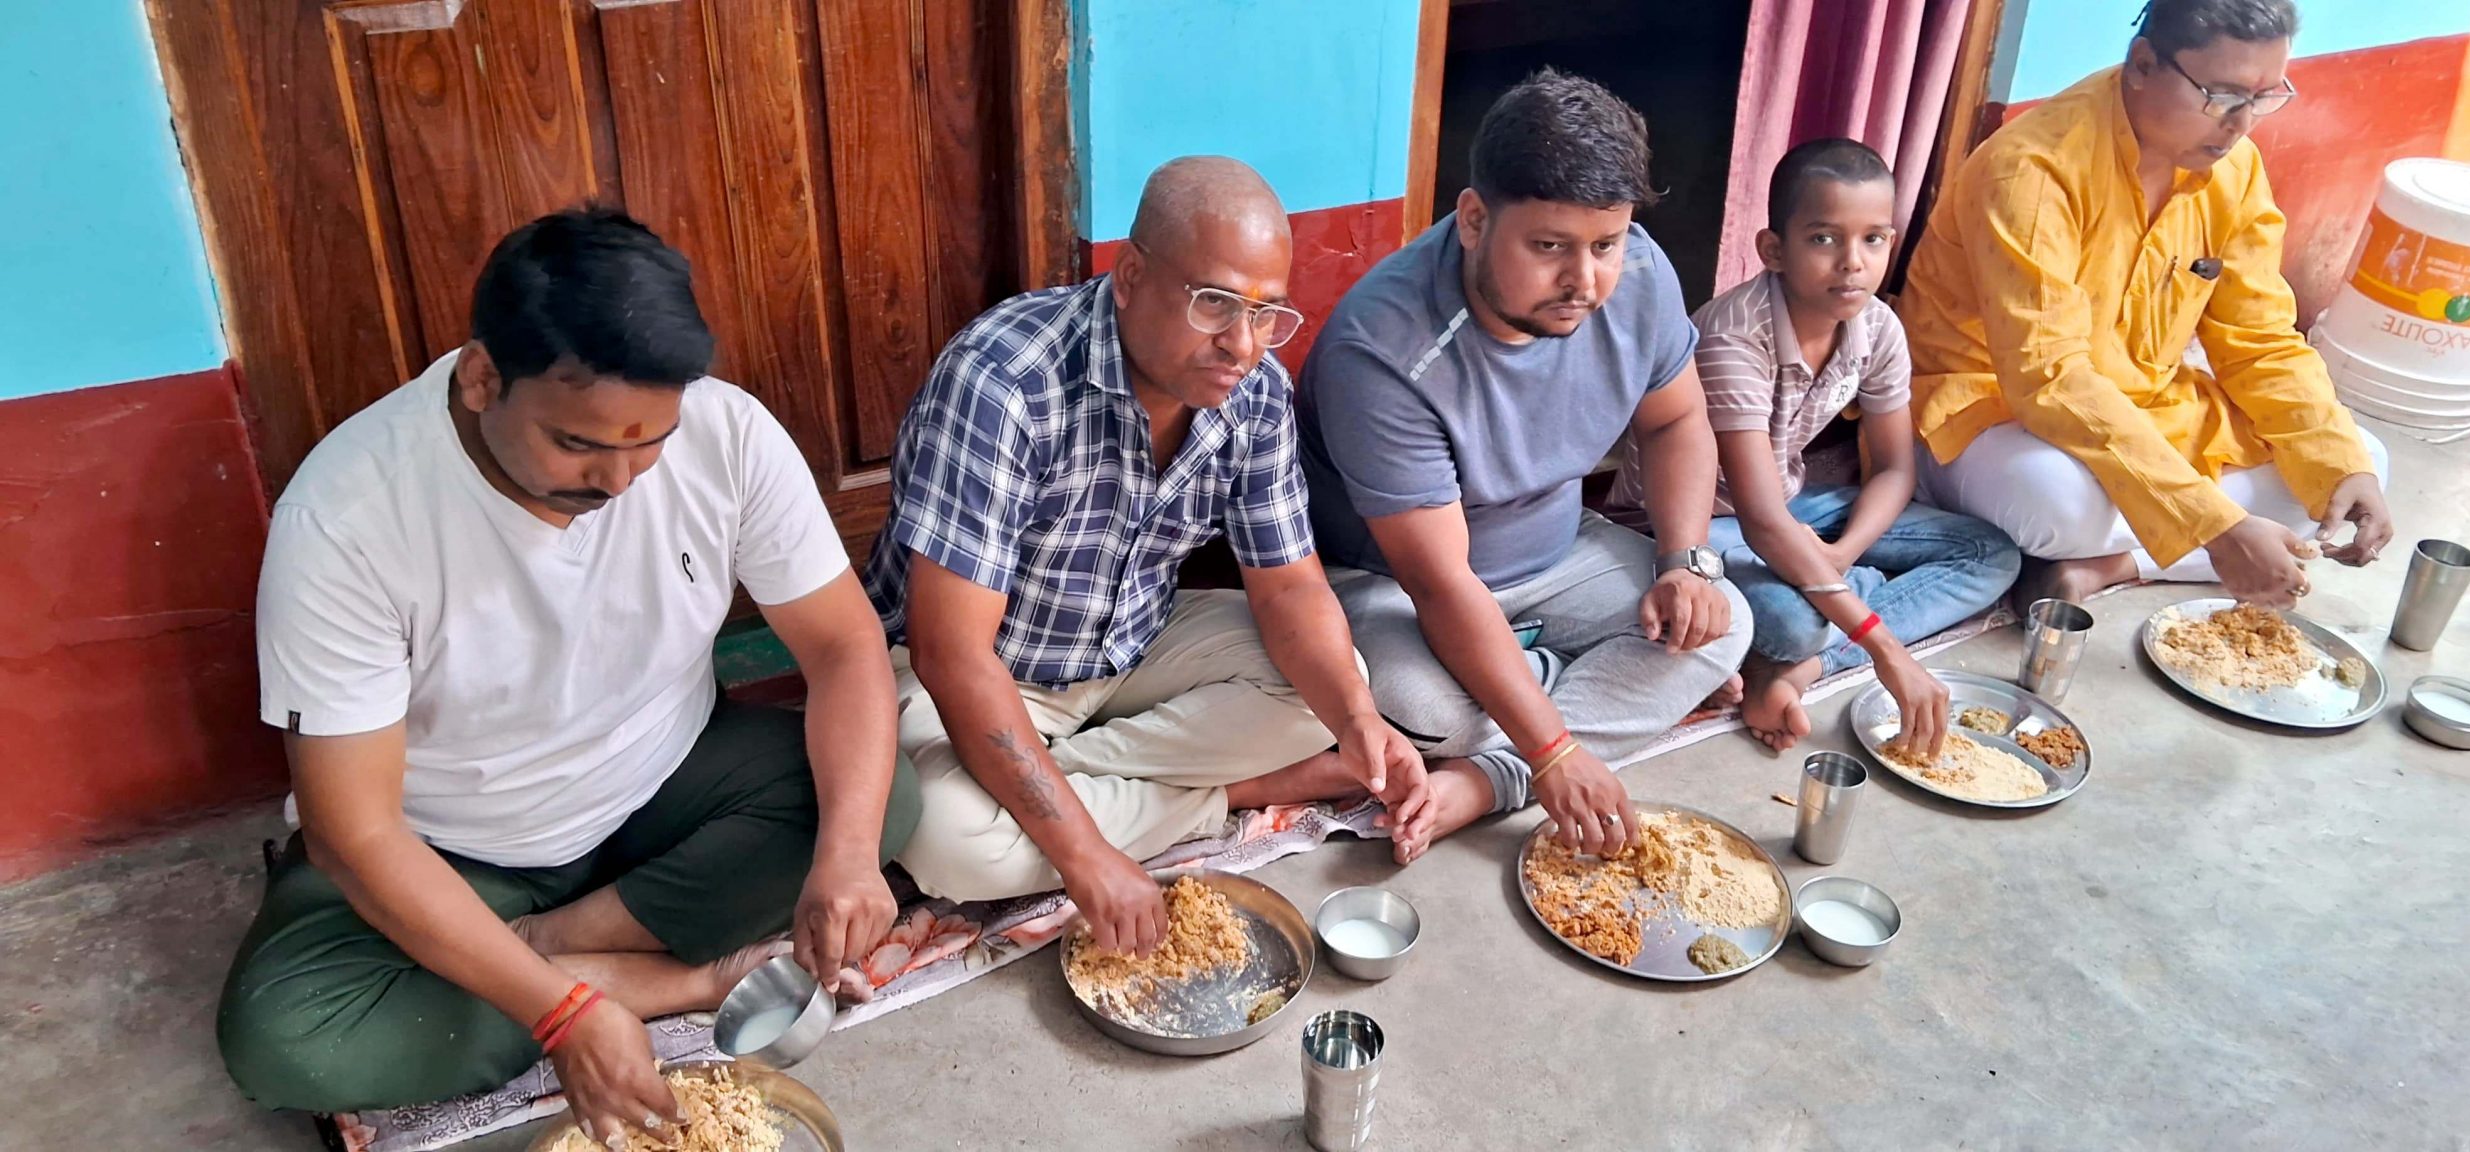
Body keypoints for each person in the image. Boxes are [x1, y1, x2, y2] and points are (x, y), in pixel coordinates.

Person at [219, 208, 918, 1144]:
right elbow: (357, 836)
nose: (621, 481)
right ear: (481, 378)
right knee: (288, 1038)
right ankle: (676, 978)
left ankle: (536, 948)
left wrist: (847, 859)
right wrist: (561, 1015)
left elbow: (842, 649)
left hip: (665, 783)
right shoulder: (349, 519)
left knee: (880, 800)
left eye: (650, 441)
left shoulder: (728, 434)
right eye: (579, 445)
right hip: (454, 848)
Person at [864, 157, 1428, 955]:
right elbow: (950, 654)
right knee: (952, 841)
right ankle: (1230, 793)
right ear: (1130, 276)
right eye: (1215, 303)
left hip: (1131, 649)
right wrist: (1085, 857)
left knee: (1335, 690)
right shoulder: (1005, 383)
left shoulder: (1254, 391)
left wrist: (1360, 722)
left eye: (1266, 313)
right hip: (977, 669)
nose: (1242, 344)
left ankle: (1046, 782)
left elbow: (1290, 590)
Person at [1299, 69, 1752, 863]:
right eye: (1549, 247)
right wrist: (1553, 752)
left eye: (1605, 245)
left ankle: (1488, 778)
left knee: (1724, 624)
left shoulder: (1637, 276)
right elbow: (1442, 584)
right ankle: (1558, 708)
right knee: (1426, 712)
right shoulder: (1382, 351)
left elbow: (1678, 419)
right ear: (1475, 219)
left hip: (1560, 554)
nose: (1585, 282)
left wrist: (1685, 562)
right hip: (1396, 587)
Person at [1900, 0, 2392, 613]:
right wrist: (2210, 521)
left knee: (2358, 464)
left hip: (2144, 404)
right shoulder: (2031, 171)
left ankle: (2114, 566)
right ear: (2142, 64)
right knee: (2057, 506)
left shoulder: (2235, 168)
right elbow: (2048, 378)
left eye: (2264, 98)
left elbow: (2261, 339)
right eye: (2222, 96)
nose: (2241, 124)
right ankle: (2188, 548)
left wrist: (2338, 466)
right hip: (1994, 411)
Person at [1608, 139, 2019, 756]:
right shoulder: (1733, 337)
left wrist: (1840, 554)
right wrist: (1883, 647)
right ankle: (1830, 622)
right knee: (1794, 624)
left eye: (1873, 239)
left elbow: (1895, 469)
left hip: (1792, 505)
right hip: (1695, 528)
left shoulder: (1878, 326)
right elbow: (1760, 519)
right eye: (1824, 239)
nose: (1853, 263)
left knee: (1990, 553)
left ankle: (1803, 666)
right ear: (1774, 249)